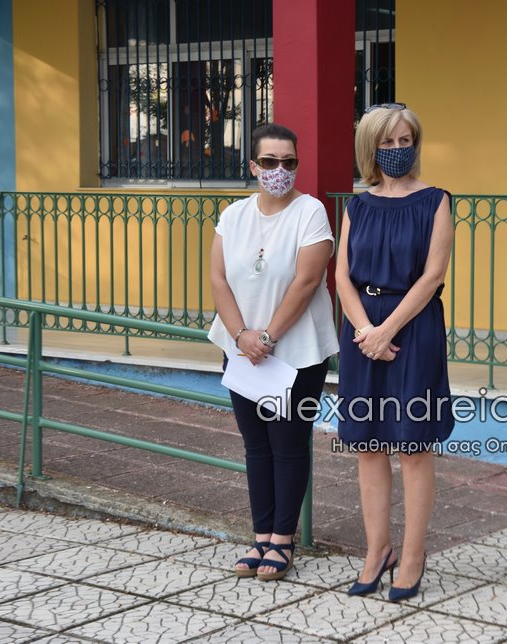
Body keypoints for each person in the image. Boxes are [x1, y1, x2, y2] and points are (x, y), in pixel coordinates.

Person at [208, 123, 339, 581]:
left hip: (296, 353)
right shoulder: (233, 216)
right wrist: (241, 335)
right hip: (241, 350)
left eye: (288, 162)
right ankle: (260, 535)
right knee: (256, 446)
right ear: (253, 166)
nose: (278, 170)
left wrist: (266, 338)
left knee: (288, 445)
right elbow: (218, 278)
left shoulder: (311, 212)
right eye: (269, 161)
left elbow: (308, 281)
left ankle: (282, 540)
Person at [335, 103, 454, 602]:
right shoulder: (357, 206)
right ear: (371, 147)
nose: (398, 149)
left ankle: (412, 555)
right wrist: (367, 331)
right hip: (362, 334)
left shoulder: (436, 201)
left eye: (406, 141)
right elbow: (341, 276)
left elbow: (433, 275)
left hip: (413, 331)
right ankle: (377, 550)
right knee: (367, 445)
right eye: (388, 142)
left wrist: (387, 331)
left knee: (413, 446)